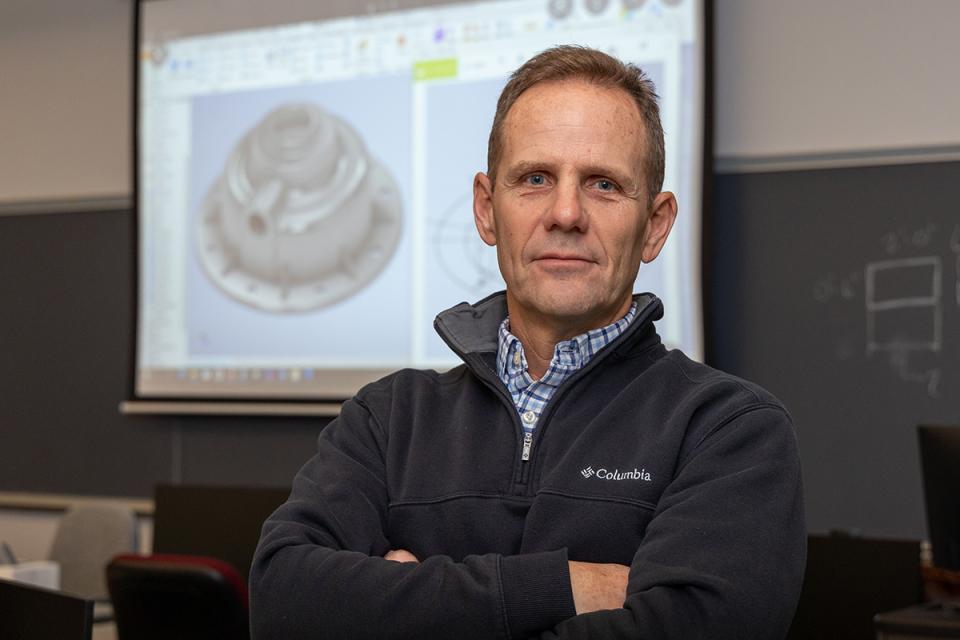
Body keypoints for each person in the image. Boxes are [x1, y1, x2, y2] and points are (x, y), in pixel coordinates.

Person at [250, 45, 805, 640]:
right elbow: (283, 601)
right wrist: (565, 588)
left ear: (656, 224)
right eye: (535, 179)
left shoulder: (729, 432)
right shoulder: (387, 421)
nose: (566, 213)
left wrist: (400, 611)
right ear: (488, 210)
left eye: (603, 184)